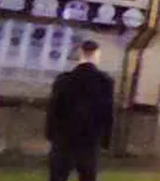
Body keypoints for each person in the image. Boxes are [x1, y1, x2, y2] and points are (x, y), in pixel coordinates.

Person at [45, 40, 115, 181]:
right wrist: (105, 138)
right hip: (89, 139)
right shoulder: (104, 81)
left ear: (80, 54)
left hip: (64, 138)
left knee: (58, 176)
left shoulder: (64, 80)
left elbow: (54, 108)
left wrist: (51, 133)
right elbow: (107, 113)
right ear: (97, 55)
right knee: (87, 176)